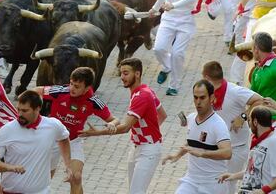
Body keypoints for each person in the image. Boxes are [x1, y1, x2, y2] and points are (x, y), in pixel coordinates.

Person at [79, 58, 167, 194]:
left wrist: (96, 133)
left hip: (148, 151)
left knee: (136, 192)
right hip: (138, 147)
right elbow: (162, 115)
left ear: (137, 74)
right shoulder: (145, 90)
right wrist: (151, 130)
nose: (122, 77)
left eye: (126, 73)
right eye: (121, 73)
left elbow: (125, 127)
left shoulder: (141, 96)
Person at [34, 67, 120, 194]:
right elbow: (35, 91)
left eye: (77, 86)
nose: (72, 89)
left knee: (76, 177)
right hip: (52, 141)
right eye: (71, 84)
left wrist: (112, 124)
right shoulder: (60, 91)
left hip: (73, 141)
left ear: (87, 88)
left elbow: (114, 119)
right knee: (44, 179)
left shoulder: (94, 101)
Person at [126, 0, 196, 96]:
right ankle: (167, 67)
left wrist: (174, 5)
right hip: (168, 19)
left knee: (178, 53)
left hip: (185, 21)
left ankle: (174, 85)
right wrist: (155, 8)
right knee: (158, 49)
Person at [0, 90, 73, 194]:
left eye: (25, 111)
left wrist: (68, 165)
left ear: (38, 108)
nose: (19, 114)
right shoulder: (6, 130)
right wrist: (9, 167)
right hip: (11, 192)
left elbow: (64, 138)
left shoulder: (53, 125)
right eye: (18, 109)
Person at [202, 61, 263, 194]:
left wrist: (242, 117)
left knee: (227, 186)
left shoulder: (235, 91)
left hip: (235, 150)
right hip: (215, 149)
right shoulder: (208, 94)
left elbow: (259, 100)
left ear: (207, 78)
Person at [162, 80, 231, 194]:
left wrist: (203, 153)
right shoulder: (191, 118)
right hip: (191, 180)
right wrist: (177, 155)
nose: (198, 102)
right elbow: (192, 143)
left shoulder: (218, 125)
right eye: (195, 97)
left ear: (212, 98)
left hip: (213, 183)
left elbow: (227, 153)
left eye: (202, 98)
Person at [218, 106, 276, 193]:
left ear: (255, 122)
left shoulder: (273, 142)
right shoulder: (255, 140)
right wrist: (233, 175)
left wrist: (264, 190)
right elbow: (253, 170)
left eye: (249, 120)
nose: (248, 124)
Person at [250, 32, 276, 114]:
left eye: (252, 49)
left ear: (256, 50)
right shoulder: (256, 70)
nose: (252, 51)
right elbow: (252, 95)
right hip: (260, 118)